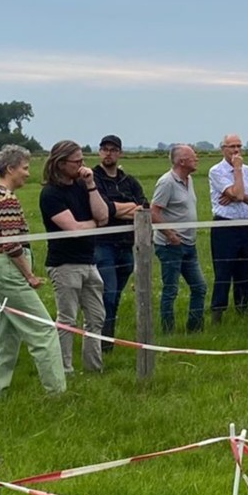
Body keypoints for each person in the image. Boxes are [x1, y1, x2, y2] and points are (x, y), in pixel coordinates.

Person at [0, 144, 67, 397]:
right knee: (44, 329)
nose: (28, 173)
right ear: (10, 168)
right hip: (10, 270)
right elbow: (11, 244)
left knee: (4, 335)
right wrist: (29, 274)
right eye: (25, 168)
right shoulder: (7, 199)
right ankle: (57, 392)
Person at [40, 139, 111, 374]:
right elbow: (73, 229)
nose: (82, 166)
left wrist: (91, 185)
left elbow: (103, 217)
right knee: (67, 319)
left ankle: (94, 367)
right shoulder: (50, 193)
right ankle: (64, 370)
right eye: (76, 161)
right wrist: (93, 224)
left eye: (83, 160)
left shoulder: (82, 186)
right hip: (65, 264)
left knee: (96, 317)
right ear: (61, 163)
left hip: (89, 261)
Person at [92, 134, 146, 351]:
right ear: (99, 152)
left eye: (113, 149)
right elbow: (101, 209)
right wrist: (128, 209)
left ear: (120, 153)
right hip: (103, 245)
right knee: (109, 295)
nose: (108, 153)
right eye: (104, 149)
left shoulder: (129, 181)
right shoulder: (93, 179)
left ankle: (105, 337)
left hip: (126, 246)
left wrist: (115, 210)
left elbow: (144, 207)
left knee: (115, 295)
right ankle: (104, 344)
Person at [151, 144, 207, 333]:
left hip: (189, 244)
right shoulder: (166, 182)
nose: (197, 159)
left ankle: (195, 328)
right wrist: (170, 234)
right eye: (193, 156)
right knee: (171, 290)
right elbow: (154, 211)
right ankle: (168, 332)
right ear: (182, 161)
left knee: (199, 287)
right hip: (170, 246)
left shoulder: (188, 179)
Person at [208, 134, 248, 322]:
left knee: (245, 270)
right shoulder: (217, 171)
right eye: (232, 146)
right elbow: (239, 195)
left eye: (239, 146)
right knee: (223, 270)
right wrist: (237, 171)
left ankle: (242, 308)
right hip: (225, 226)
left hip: (245, 227)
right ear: (223, 148)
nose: (236, 150)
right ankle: (218, 313)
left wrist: (239, 195)